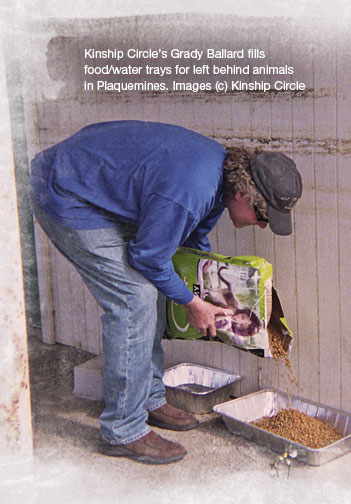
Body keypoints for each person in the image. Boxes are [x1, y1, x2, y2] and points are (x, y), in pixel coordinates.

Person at [29, 120, 302, 464]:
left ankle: (149, 397)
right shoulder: (191, 189)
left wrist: (210, 288)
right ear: (242, 195)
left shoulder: (220, 179)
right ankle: (123, 430)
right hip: (65, 192)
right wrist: (192, 303)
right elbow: (149, 256)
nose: (262, 225)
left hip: (98, 185)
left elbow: (188, 244)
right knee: (135, 298)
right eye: (263, 216)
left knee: (155, 285)